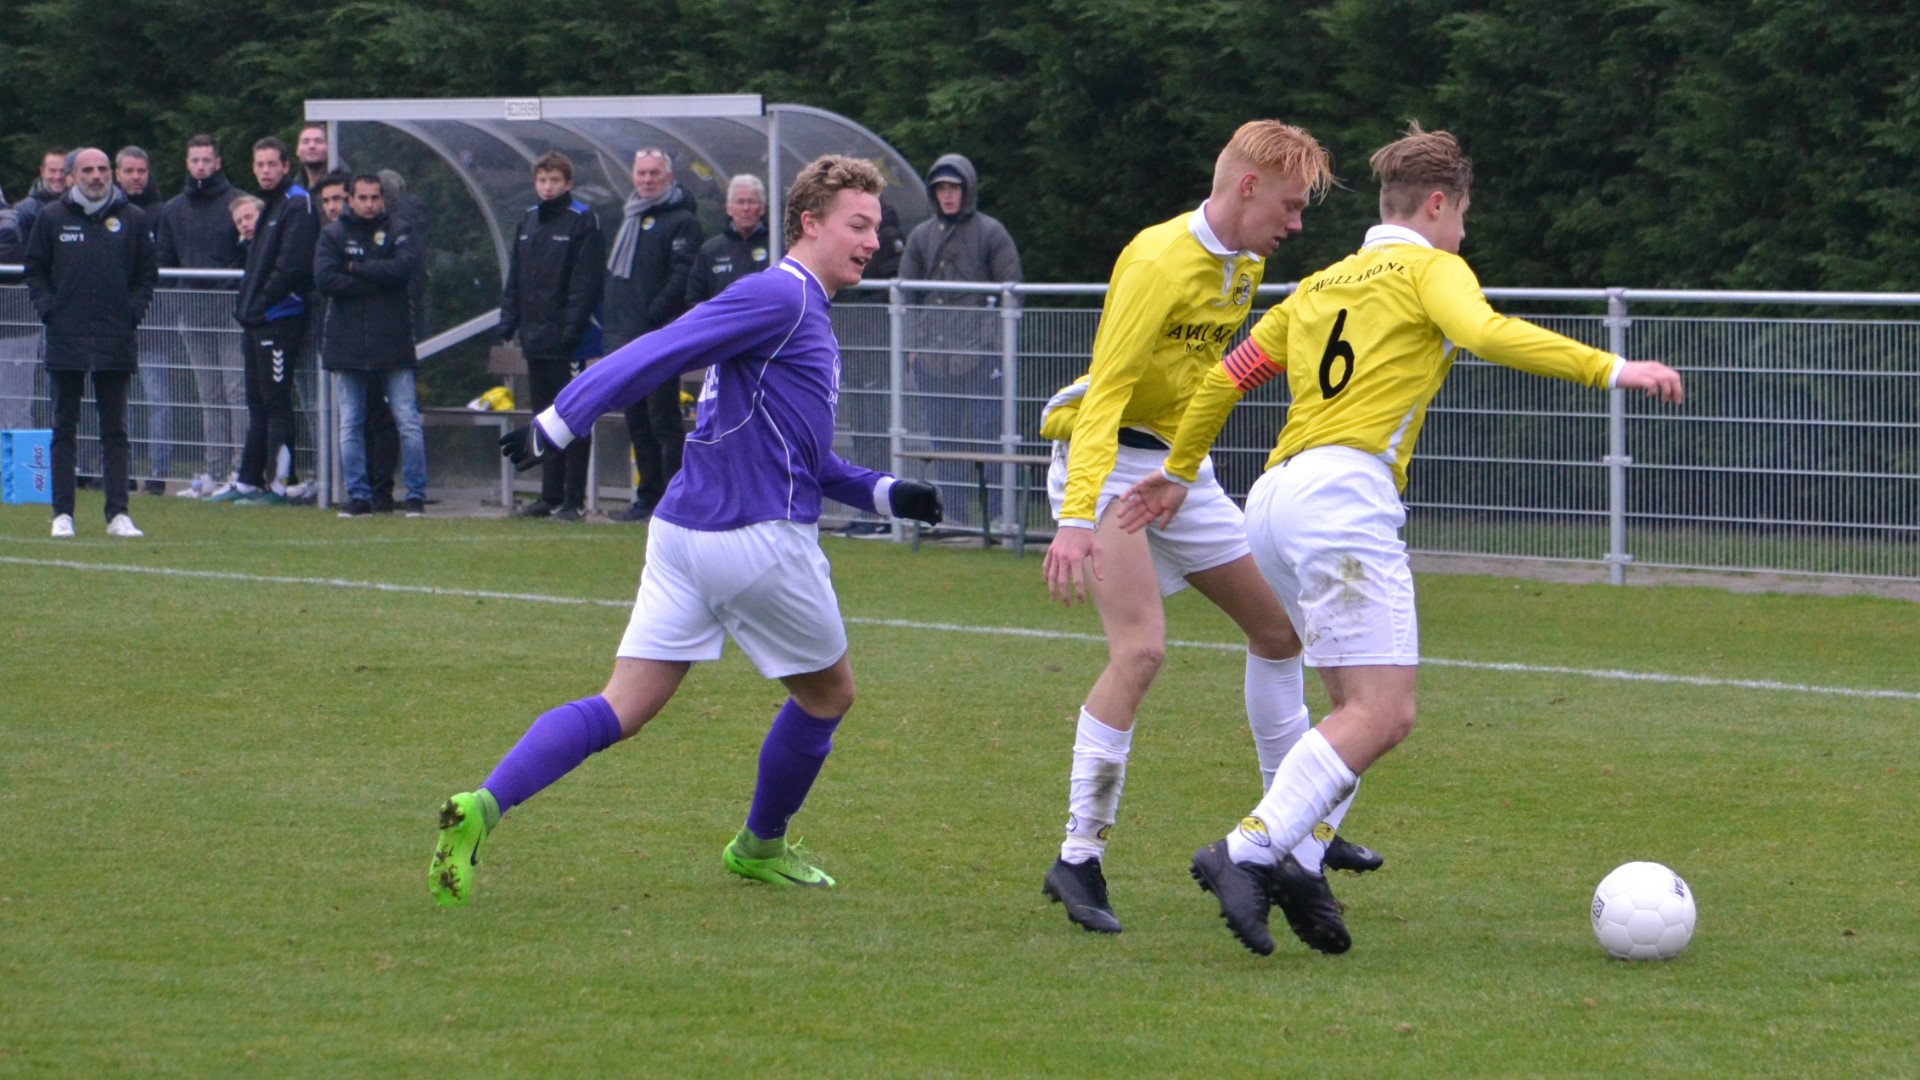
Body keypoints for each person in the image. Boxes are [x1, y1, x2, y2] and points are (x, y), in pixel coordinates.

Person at [1119, 124, 1685, 956]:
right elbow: (1486, 333)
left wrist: (1178, 468)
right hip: (1343, 497)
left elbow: (1225, 376)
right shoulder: (1432, 267)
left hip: (1273, 498)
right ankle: (1244, 850)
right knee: (1385, 711)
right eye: (1460, 220)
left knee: (1357, 709)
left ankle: (1303, 858)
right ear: (1434, 205)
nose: (1463, 237)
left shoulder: (1321, 283)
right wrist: (1614, 369)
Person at [428, 154, 945, 908]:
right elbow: (662, 346)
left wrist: (891, 492)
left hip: (680, 537)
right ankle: (759, 846)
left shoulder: (800, 313)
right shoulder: (782, 294)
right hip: (755, 541)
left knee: (621, 706)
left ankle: (483, 805)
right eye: (857, 225)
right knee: (829, 696)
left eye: (878, 227)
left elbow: (805, 458)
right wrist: (558, 419)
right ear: (810, 223)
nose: (873, 241)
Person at [1035, 120, 1379, 939]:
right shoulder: (1157, 259)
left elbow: (1213, 374)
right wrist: (1078, 518)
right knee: (1142, 650)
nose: (1295, 225)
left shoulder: (1248, 263)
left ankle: (1286, 833)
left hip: (1180, 477)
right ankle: (1078, 855)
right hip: (1114, 464)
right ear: (1247, 187)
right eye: (1290, 206)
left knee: (1277, 632)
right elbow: (1112, 390)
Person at [23, 148, 158, 539]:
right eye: (87, 169)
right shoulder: (52, 219)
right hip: (66, 337)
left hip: (115, 337)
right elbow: (35, 270)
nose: (96, 176)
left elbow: (147, 273)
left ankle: (118, 513)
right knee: (64, 428)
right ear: (71, 175)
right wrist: (50, 310)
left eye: (102, 169)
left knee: (115, 430)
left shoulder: (133, 219)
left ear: (111, 173)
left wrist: (131, 312)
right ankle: (62, 513)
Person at [898, 153, 1022, 532]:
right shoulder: (921, 236)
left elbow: (1012, 292)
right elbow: (904, 296)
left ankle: (1000, 516)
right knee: (943, 439)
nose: (947, 195)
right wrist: (912, 349)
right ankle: (952, 517)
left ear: (966, 190)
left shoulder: (991, 232)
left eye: (953, 188)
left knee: (991, 436)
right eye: (941, 189)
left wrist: (994, 345)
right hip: (934, 359)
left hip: (981, 357)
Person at [314, 174, 428, 518]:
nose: (368, 204)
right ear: (351, 199)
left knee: (407, 419)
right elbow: (325, 279)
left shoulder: (399, 230)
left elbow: (403, 270)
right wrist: (375, 280)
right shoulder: (332, 234)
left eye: (374, 198)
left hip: (393, 342)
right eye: (362, 198)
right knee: (350, 421)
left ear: (383, 199)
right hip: (347, 344)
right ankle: (358, 495)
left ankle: (415, 496)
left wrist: (355, 269)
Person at [500, 151, 605, 521]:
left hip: (571, 341)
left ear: (568, 183)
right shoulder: (528, 221)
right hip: (536, 338)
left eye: (555, 181)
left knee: (574, 416)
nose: (548, 187)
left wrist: (571, 330)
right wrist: (509, 319)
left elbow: (585, 282)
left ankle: (573, 501)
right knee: (544, 417)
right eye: (542, 180)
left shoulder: (581, 219)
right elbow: (517, 276)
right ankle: (548, 495)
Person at [214, 136, 318, 506]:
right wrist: (249, 306)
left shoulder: (297, 203)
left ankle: (281, 483)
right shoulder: (269, 206)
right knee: (256, 403)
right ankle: (248, 480)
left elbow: (291, 265)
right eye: (259, 165)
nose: (265, 171)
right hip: (256, 319)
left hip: (279, 320)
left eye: (272, 164)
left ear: (286, 166)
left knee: (277, 402)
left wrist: (261, 303)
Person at [604, 147, 701, 522]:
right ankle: (646, 498)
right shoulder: (630, 217)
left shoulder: (682, 221)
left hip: (659, 336)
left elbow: (681, 277)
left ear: (669, 178)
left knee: (663, 420)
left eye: (654, 174)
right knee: (637, 419)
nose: (647, 180)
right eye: (641, 173)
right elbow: (618, 280)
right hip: (628, 337)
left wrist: (652, 316)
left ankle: (671, 501)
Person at [156, 135, 246, 498]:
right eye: (195, 160)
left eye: (207, 160)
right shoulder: (173, 209)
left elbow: (246, 254)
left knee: (236, 391)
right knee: (209, 395)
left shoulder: (236, 202)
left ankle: (242, 471)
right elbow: (164, 259)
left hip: (229, 312)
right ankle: (214, 472)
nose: (201, 167)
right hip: (191, 313)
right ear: (186, 163)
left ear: (218, 163)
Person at [684, 174, 771, 306]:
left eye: (752, 202)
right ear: (729, 208)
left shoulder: (777, 246)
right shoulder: (711, 250)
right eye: (740, 202)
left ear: (762, 209)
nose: (746, 208)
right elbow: (695, 299)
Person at [13, 147, 71, 245]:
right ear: (42, 171)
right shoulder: (24, 210)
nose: (58, 176)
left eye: (63, 171)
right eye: (52, 171)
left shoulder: (83, 205)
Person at [296, 124, 332, 193]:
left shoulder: (342, 187)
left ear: (329, 148)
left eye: (318, 141)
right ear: (297, 150)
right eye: (305, 142)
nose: (312, 146)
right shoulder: (292, 192)